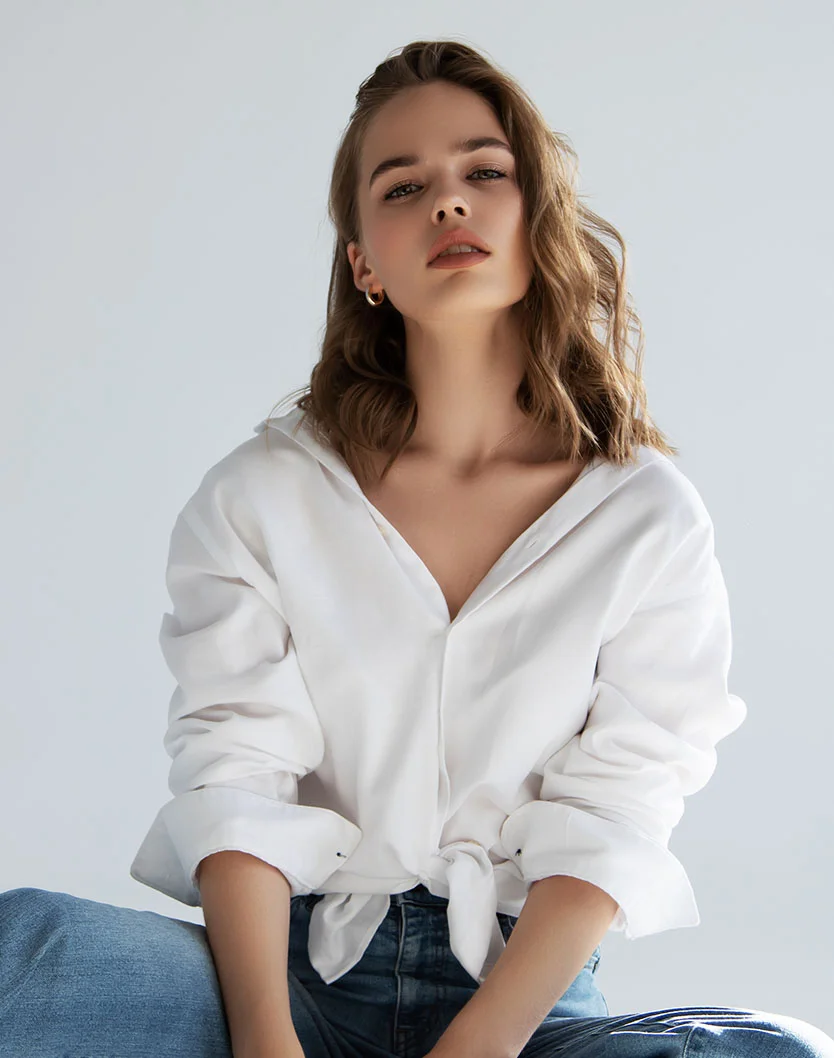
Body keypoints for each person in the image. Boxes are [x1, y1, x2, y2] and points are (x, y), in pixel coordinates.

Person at [1, 37, 831, 1058]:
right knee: (25, 949)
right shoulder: (264, 493)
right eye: (403, 188)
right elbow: (237, 779)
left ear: (538, 224)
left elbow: (617, 809)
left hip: (527, 1013)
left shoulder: (643, 515)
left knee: (781, 1048)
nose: (449, 202)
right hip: (291, 987)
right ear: (364, 263)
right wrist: (268, 1042)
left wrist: (473, 1047)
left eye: (486, 172)